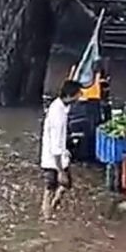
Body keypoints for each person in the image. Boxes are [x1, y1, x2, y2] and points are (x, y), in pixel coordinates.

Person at [40, 80, 83, 220]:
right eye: (79, 94)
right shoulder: (58, 115)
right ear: (71, 95)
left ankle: (51, 210)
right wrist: (60, 171)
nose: (80, 96)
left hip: (57, 156)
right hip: (53, 160)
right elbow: (56, 147)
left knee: (64, 185)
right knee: (50, 189)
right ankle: (47, 217)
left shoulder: (59, 106)